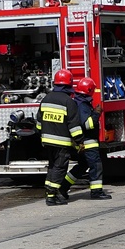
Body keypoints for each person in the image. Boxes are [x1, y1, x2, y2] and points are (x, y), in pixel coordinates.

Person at [59, 77, 111, 200]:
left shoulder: (78, 101)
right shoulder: (82, 105)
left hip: (81, 142)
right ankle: (96, 192)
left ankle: (63, 186)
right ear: (89, 90)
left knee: (82, 166)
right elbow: (87, 124)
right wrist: (97, 113)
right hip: (88, 142)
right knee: (96, 166)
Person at [36, 69, 83, 206]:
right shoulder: (69, 102)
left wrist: (43, 135)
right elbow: (73, 125)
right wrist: (80, 141)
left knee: (52, 167)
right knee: (60, 168)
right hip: (61, 143)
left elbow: (39, 123)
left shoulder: (46, 99)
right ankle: (51, 196)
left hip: (47, 141)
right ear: (68, 84)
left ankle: (50, 193)